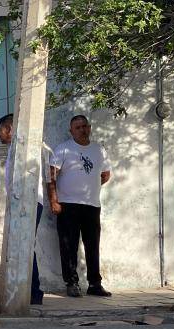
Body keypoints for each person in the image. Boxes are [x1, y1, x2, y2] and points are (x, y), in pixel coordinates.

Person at [48, 115, 112, 298]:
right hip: (68, 205)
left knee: (93, 245)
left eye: (85, 126)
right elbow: (51, 176)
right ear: (71, 131)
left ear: (89, 127)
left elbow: (105, 174)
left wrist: (89, 186)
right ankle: (72, 283)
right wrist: (54, 200)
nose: (82, 130)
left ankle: (95, 284)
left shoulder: (98, 149)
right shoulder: (64, 149)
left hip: (92, 205)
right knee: (69, 246)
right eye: (78, 127)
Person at [0, 114, 48, 305]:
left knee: (26, 247)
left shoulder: (25, 148)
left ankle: (34, 291)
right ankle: (22, 289)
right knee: (21, 247)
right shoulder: (14, 148)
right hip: (21, 202)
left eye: (1, 130)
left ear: (10, 129)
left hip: (29, 202)